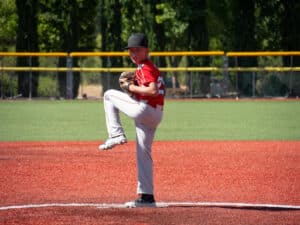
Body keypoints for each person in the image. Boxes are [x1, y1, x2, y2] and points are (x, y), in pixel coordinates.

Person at [99, 33, 165, 207]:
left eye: (137, 50)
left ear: (146, 50)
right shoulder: (148, 68)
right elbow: (152, 92)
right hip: (155, 114)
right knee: (144, 153)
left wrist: (130, 86)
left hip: (145, 110)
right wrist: (135, 90)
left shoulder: (145, 67)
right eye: (131, 51)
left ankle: (116, 134)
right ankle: (147, 197)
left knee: (108, 95)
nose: (133, 54)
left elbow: (152, 91)